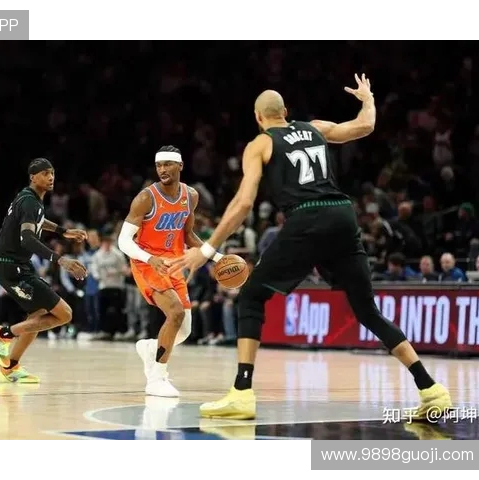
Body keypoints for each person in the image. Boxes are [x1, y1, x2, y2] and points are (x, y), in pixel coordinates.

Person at [169, 75, 452, 420]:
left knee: (251, 296)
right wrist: (367, 98)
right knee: (368, 311)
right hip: (343, 214)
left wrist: (207, 250)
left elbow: (243, 203)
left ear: (258, 117)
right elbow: (365, 126)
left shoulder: (261, 143)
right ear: (285, 112)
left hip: (307, 217)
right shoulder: (315, 128)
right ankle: (431, 390)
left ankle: (241, 393)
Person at [117, 145, 224, 397]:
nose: (162, 169)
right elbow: (123, 241)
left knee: (184, 330)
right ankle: (157, 379)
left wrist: (217, 257)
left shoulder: (191, 196)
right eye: (159, 165)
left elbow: (188, 235)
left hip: (174, 263)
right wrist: (149, 258)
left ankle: (151, 348)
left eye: (168, 164)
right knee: (174, 312)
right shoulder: (146, 198)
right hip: (146, 262)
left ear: (180, 166)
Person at [0, 158, 88, 383]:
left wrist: (62, 231)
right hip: (12, 267)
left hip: (15, 265)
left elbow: (38, 220)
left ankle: (10, 367)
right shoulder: (30, 202)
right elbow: (28, 239)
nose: (50, 177)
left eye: (52, 173)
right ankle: (2, 334)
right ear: (33, 177)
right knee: (65, 314)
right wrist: (61, 260)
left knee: (38, 315)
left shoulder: (29, 198)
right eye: (45, 173)